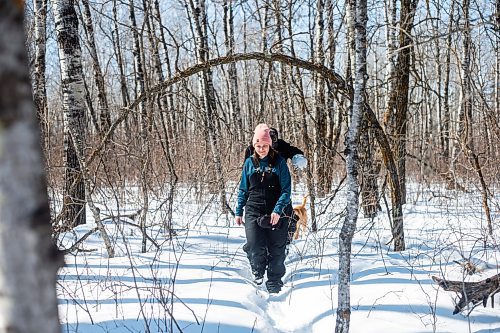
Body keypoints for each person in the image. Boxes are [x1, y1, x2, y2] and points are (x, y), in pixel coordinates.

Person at [235, 124, 293, 294]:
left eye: (264, 146)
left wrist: (277, 210)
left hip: (275, 208)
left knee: (277, 248)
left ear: (270, 145)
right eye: (258, 146)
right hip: (253, 208)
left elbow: (286, 190)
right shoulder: (249, 163)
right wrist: (239, 210)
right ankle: (257, 270)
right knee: (254, 243)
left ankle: (274, 280)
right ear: (254, 146)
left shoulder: (280, 163)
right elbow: (243, 189)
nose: (261, 149)